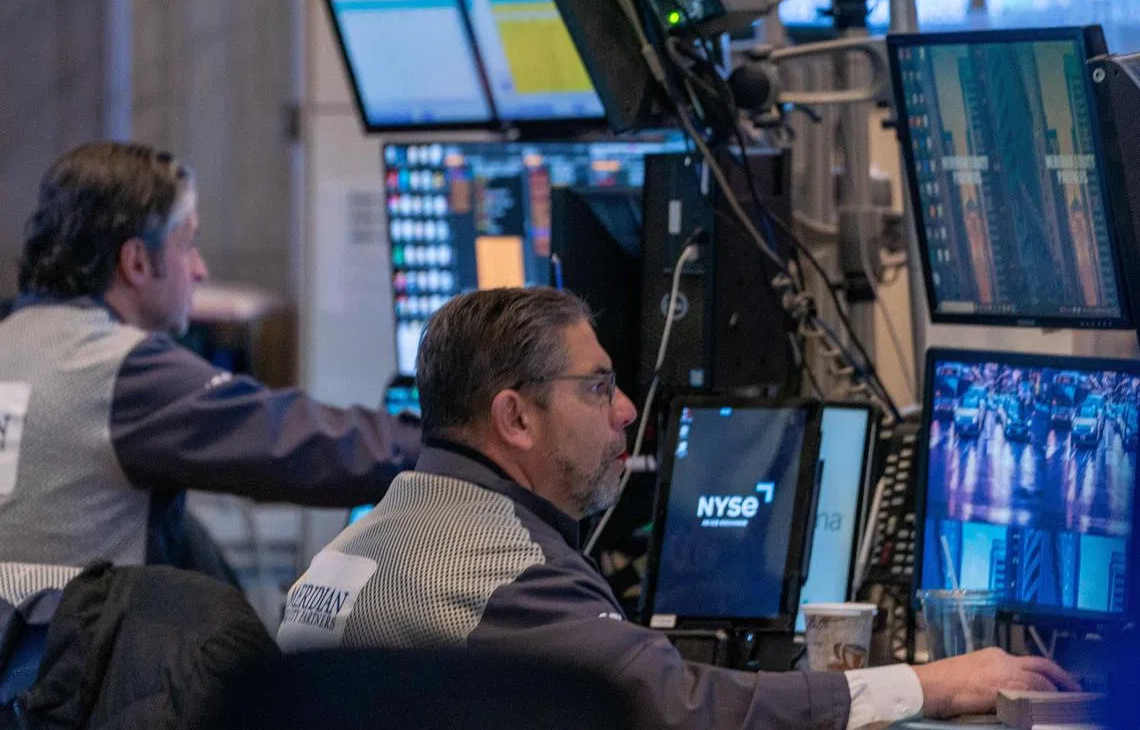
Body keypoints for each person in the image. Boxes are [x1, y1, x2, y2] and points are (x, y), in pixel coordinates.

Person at [278, 287, 1079, 729]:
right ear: (515, 417)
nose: (626, 409)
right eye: (597, 388)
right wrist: (924, 684)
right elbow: (685, 712)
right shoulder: (503, 571)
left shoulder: (372, 537)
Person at [0, 142, 420, 573]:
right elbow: (293, 440)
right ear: (137, 261)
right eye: (188, 244)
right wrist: (448, 443)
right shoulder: (117, 372)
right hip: (71, 639)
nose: (199, 269)